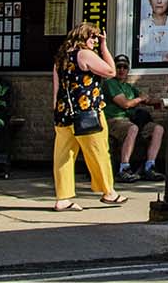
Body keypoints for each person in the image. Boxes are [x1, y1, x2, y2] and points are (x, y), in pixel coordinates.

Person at [51, 23, 124, 211]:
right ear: (84, 37)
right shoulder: (84, 54)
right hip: (87, 111)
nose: (94, 41)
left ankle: (63, 198)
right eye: (93, 37)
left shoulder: (61, 57)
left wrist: (56, 111)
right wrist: (104, 47)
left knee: (63, 156)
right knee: (98, 151)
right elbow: (110, 71)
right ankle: (108, 192)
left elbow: (56, 88)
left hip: (63, 114)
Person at [104, 55, 166, 182]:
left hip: (130, 121)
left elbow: (146, 99)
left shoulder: (129, 87)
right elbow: (125, 104)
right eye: (118, 67)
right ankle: (124, 169)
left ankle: (150, 167)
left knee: (158, 129)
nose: (121, 70)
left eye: (124, 67)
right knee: (133, 129)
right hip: (115, 120)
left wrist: (161, 101)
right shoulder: (110, 83)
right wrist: (139, 99)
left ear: (128, 70)